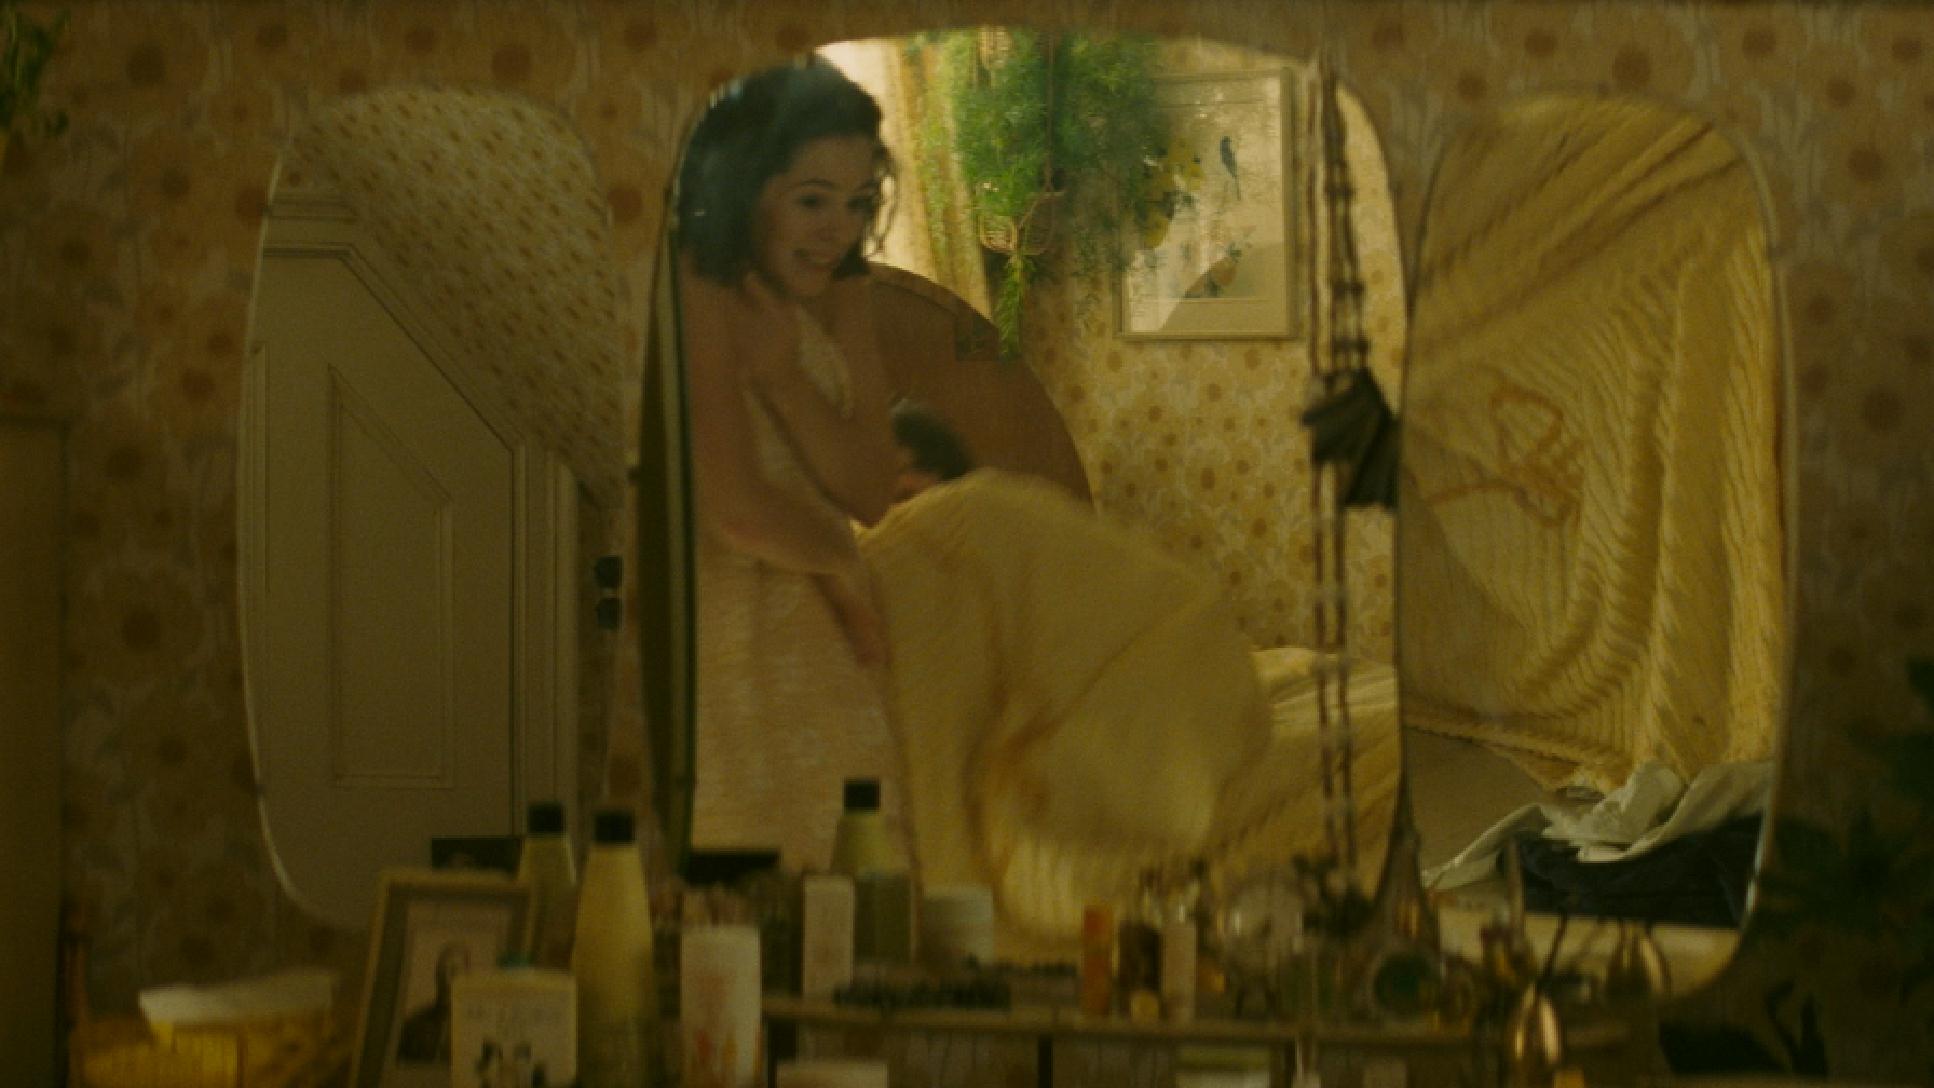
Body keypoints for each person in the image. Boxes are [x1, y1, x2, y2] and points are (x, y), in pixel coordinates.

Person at [677, 58, 907, 871]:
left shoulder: (846, 288)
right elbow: (736, 509)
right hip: (727, 625)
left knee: (856, 888)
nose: (837, 230)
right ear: (748, 188)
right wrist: (841, 565)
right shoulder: (696, 281)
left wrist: (781, 377)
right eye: (812, 200)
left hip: (827, 641)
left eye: (857, 202)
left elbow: (870, 490)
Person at [395, 940, 472, 1063]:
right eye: (441, 972)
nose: (446, 980)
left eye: (454, 972)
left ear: (467, 979)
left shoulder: (475, 1026)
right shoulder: (413, 1026)